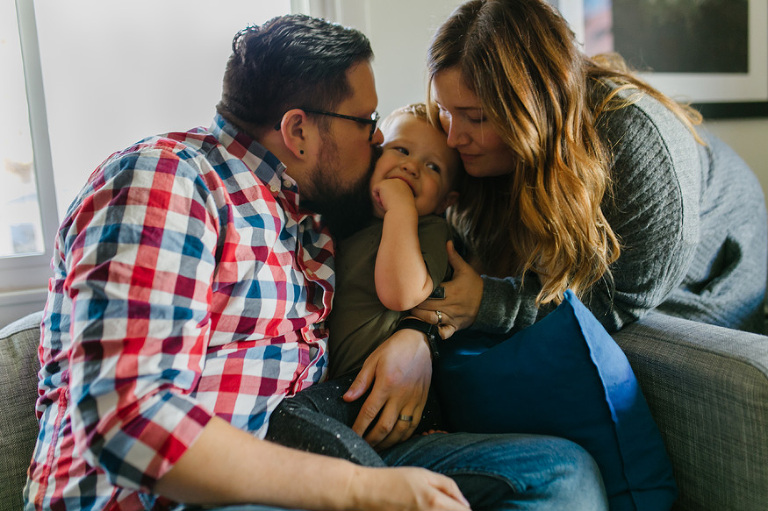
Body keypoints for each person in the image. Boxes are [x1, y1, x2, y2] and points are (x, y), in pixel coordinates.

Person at [24, 13, 608, 511]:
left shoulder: (318, 218)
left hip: (326, 449)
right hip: (184, 495)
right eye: (367, 124)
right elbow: (131, 421)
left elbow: (410, 273)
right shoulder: (168, 181)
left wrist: (421, 336)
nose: (380, 143)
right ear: (298, 130)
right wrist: (363, 490)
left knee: (559, 473)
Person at [412, 0, 767, 339]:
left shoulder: (638, 151)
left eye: (477, 117)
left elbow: (618, 303)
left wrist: (489, 303)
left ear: (537, 108)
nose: (454, 137)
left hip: (720, 276)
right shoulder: (462, 139)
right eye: (445, 110)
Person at [265, 103, 460, 461]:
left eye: (433, 167)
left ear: (447, 200)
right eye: (400, 150)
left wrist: (401, 209)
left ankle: (375, 487)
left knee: (289, 419)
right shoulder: (344, 220)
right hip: (341, 385)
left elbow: (400, 293)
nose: (411, 167)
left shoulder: (429, 229)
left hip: (381, 385)